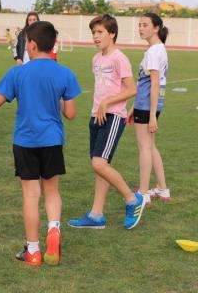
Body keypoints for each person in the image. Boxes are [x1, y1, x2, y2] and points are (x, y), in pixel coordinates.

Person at [0, 20, 81, 267]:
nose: (25, 46)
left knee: (30, 194)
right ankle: (54, 228)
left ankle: (34, 251)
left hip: (25, 141)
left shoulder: (18, 72)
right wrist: (55, 99)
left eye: (26, 42)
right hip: (52, 140)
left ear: (33, 44)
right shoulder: (65, 73)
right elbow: (70, 114)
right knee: (52, 191)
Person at [68, 15, 144, 230]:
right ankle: (96, 215)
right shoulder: (96, 59)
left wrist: (107, 103)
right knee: (100, 166)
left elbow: (132, 89)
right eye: (93, 32)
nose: (95, 36)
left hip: (113, 117)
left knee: (98, 163)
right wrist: (98, 108)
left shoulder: (119, 58)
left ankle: (132, 199)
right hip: (96, 116)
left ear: (112, 33)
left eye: (100, 32)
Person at [127, 12, 170, 205]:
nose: (141, 28)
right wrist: (135, 107)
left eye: (145, 25)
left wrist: (151, 115)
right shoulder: (159, 49)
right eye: (139, 25)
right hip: (148, 104)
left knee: (144, 147)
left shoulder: (153, 51)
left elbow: (153, 83)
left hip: (148, 105)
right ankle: (162, 188)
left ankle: (143, 193)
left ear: (156, 28)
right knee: (150, 146)